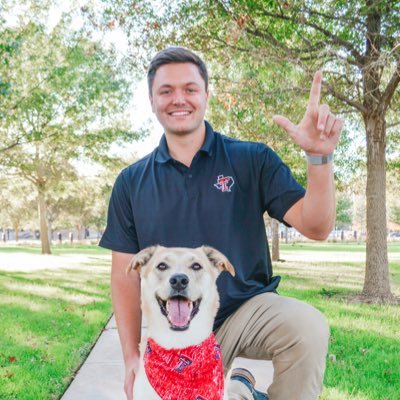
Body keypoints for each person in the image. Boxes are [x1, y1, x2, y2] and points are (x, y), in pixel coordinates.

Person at [99, 46, 343, 400]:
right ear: (151, 101)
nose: (178, 99)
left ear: (206, 95)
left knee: (307, 326)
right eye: (166, 91)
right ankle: (240, 392)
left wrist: (319, 157)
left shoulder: (251, 159)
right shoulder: (131, 181)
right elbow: (124, 277)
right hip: (174, 330)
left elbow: (317, 226)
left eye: (190, 89)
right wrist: (131, 357)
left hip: (246, 311)